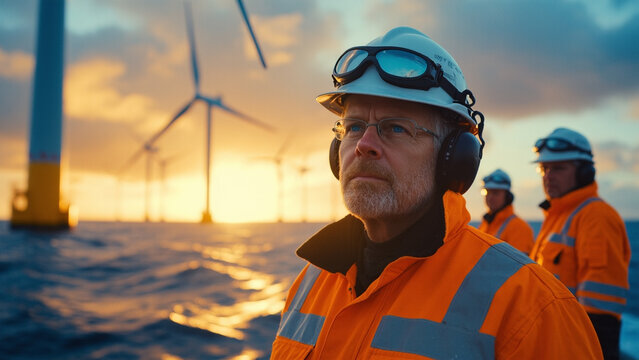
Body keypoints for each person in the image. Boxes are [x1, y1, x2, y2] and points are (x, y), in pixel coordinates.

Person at [271, 26, 602, 359]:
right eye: (354, 127)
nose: (364, 146)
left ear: (454, 158)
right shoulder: (308, 284)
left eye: (396, 128)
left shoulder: (533, 310)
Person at [530, 127, 631, 360]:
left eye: (558, 168)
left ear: (585, 172)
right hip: (550, 339)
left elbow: (600, 309)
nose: (548, 176)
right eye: (544, 169)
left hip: (574, 347)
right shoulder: (556, 217)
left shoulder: (596, 216)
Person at [478, 169, 534, 255]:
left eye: (495, 193)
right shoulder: (485, 225)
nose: (490, 197)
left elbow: (519, 266)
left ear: (508, 197)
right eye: (487, 192)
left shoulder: (520, 228)